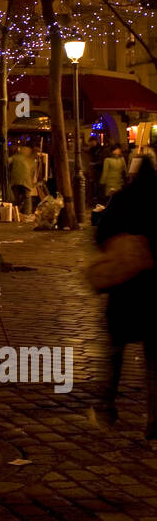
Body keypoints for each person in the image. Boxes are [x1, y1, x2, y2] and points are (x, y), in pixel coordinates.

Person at [90, 157, 157, 439]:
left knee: (115, 352)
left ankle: (107, 405)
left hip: (125, 288)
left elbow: (100, 234)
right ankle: (154, 421)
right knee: (154, 360)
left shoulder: (121, 199)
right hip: (155, 290)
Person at [9, 143, 36, 215]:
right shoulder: (28, 159)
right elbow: (32, 170)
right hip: (26, 181)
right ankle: (28, 213)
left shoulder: (15, 157)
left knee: (16, 197)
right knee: (27, 197)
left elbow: (7, 162)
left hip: (15, 180)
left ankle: (15, 213)